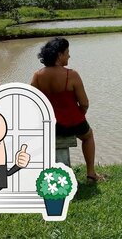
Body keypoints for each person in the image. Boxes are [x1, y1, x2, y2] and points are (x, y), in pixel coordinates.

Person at [31, 37, 105, 182]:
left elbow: (32, 102)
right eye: (67, 53)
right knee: (88, 136)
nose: (69, 56)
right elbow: (84, 103)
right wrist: (80, 116)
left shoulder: (37, 76)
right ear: (59, 55)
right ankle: (91, 173)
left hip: (50, 125)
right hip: (73, 123)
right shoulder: (71, 75)